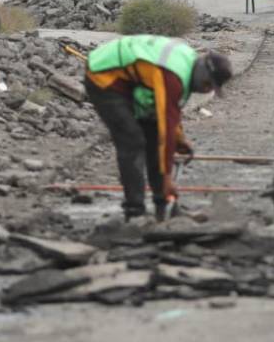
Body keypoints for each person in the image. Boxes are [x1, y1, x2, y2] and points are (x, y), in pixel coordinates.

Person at [84, 36, 233, 221]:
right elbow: (166, 129)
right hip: (104, 76)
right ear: (203, 75)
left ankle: (165, 207)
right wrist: (167, 179)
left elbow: (169, 115)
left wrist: (179, 138)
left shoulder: (187, 66)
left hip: (132, 80)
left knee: (153, 136)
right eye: (208, 85)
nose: (206, 91)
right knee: (132, 140)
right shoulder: (173, 77)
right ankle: (135, 212)